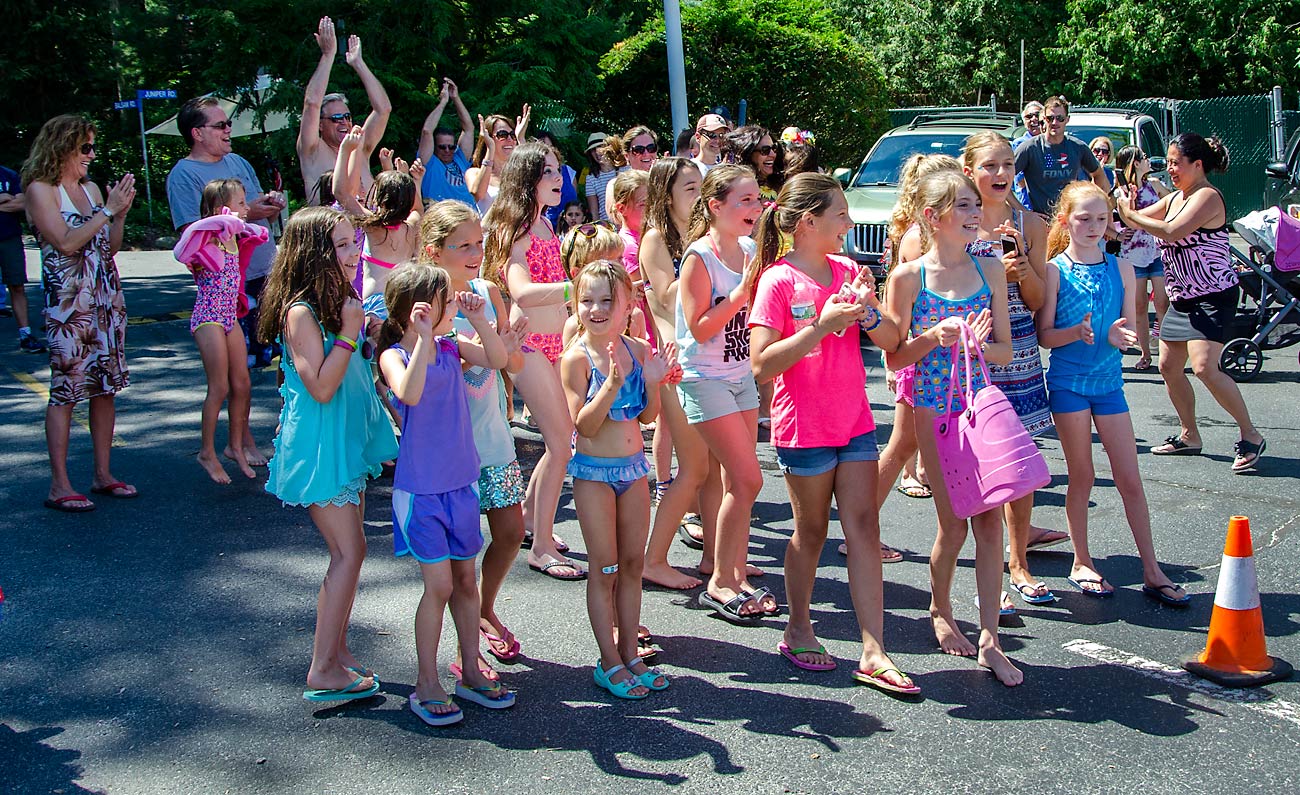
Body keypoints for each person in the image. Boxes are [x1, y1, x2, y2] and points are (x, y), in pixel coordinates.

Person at [747, 173, 919, 695]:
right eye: (840, 215)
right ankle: (798, 626)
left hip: (855, 422)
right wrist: (821, 325)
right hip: (804, 428)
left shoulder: (850, 270)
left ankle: (874, 650)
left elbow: (893, 340)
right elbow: (761, 364)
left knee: (864, 528)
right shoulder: (778, 280)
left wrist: (866, 314)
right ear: (808, 223)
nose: (848, 223)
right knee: (813, 532)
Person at [881, 169, 1022, 686]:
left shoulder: (991, 272)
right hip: (934, 411)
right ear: (931, 217)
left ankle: (990, 638)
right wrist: (935, 338)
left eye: (973, 205)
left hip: (981, 410)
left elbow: (1006, 348)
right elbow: (894, 358)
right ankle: (940, 609)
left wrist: (980, 347)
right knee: (954, 524)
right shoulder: (908, 277)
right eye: (961, 206)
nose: (973, 214)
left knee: (990, 525)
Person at [258, 206, 399, 702]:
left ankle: (336, 653)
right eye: (340, 245)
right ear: (313, 253)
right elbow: (319, 385)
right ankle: (322, 667)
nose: (353, 251)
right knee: (349, 552)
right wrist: (348, 330)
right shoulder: (301, 312)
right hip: (320, 447)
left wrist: (369, 336)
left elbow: (357, 369)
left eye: (352, 241)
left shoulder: (342, 299)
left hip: (346, 440)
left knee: (351, 551)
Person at [1039, 181, 1190, 606]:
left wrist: (1120, 336)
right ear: (1066, 221)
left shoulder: (1121, 267)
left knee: (1130, 478)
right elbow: (1046, 336)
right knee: (1082, 475)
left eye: (1102, 218)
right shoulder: (1055, 270)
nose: (1093, 225)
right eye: (1084, 218)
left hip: (1109, 386)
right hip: (1068, 384)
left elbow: (1125, 327)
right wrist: (1078, 332)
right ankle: (1081, 560)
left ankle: (1151, 568)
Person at [377, 263, 515, 726]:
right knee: (437, 587)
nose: (455, 302)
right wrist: (420, 340)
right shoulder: (395, 355)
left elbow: (498, 360)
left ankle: (471, 671)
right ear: (416, 309)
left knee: (465, 583)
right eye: (446, 299)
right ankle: (425, 682)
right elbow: (409, 394)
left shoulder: (453, 346)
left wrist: (477, 320)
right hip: (422, 491)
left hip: (461, 484)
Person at [420, 199, 530, 679]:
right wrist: (480, 355)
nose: (475, 252)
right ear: (433, 250)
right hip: (450, 454)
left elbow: (512, 363)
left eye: (479, 243)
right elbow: (413, 374)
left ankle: (485, 608)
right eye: (461, 245)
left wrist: (510, 351)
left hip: (493, 437)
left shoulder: (488, 291)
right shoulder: (424, 302)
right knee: (457, 563)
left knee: (510, 533)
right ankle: (468, 647)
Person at [1115, 133, 1266, 472]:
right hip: (1183, 298)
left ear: (1197, 165)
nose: (1169, 169)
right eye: (1167, 163)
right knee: (1169, 367)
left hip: (1213, 296)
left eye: (1175, 163)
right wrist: (1122, 202)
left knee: (1203, 367)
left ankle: (1251, 435)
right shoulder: (1175, 198)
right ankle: (1189, 435)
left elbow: (1169, 232)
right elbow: (1132, 219)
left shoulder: (1208, 197)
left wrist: (1130, 213)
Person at [561, 260, 675, 699]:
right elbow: (584, 426)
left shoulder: (640, 349)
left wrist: (653, 381)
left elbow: (647, 417)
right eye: (587, 300)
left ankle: (630, 654)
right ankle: (607, 661)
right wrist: (610, 383)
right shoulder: (575, 358)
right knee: (604, 568)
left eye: (608, 300)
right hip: (593, 475)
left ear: (629, 304)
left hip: (633, 470)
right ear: (576, 305)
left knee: (631, 566)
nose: (596, 308)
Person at [961, 131, 1065, 606]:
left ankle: (1018, 560)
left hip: (1019, 346)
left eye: (1007, 165)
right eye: (990, 166)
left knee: (1020, 458)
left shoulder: (1031, 223)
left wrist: (1023, 268)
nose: (1000, 174)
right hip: (970, 345)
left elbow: (1041, 301)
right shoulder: (957, 221)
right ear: (969, 172)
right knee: (977, 458)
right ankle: (987, 571)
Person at [24, 115, 137, 513]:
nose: (91, 155)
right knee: (67, 389)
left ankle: (103, 474)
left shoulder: (90, 190)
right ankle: (60, 484)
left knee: (105, 387)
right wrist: (107, 211)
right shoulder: (42, 190)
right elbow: (67, 242)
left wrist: (118, 215)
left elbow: (110, 247)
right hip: (70, 306)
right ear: (63, 147)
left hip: (105, 299)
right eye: (85, 148)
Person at [483, 141, 585, 580]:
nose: (557, 178)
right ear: (526, 179)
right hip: (530, 348)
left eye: (558, 170)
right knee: (562, 444)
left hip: (556, 343)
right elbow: (522, 291)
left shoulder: (545, 224)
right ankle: (541, 547)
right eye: (547, 171)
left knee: (559, 443)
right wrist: (576, 288)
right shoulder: (517, 230)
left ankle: (530, 516)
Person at [679, 165, 776, 623]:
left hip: (740, 375)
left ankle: (730, 569)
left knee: (734, 481)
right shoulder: (699, 258)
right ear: (716, 206)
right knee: (749, 478)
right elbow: (698, 330)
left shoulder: (751, 248)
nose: (755, 209)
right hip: (704, 377)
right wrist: (738, 296)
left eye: (757, 199)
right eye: (745, 201)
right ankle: (721, 581)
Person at [638, 157, 716, 589]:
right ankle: (654, 558)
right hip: (675, 361)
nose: (699, 193)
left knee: (715, 467)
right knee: (693, 468)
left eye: (701, 185)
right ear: (666, 194)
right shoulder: (655, 239)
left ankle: (716, 559)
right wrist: (700, 257)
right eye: (690, 187)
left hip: (710, 356)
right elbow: (668, 300)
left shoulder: (705, 234)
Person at [167, 96, 285, 375]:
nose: (228, 130)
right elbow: (192, 238)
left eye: (228, 124)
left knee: (284, 361)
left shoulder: (239, 162)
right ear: (197, 134)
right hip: (231, 289)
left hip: (269, 274)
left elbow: (261, 212)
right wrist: (247, 215)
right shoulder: (182, 175)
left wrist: (272, 205)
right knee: (241, 375)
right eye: (220, 125)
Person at [172, 178, 269, 484]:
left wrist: (235, 223)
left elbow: (262, 234)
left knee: (242, 384)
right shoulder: (204, 241)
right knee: (220, 387)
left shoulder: (234, 237)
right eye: (240, 204)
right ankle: (206, 452)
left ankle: (235, 446)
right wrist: (220, 219)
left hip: (229, 317)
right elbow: (180, 250)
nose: (246, 209)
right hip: (208, 317)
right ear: (221, 208)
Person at [297, 16, 392, 205]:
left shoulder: (360, 148)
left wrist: (359, 64)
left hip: (368, 232)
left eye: (347, 117)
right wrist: (328, 55)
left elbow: (383, 109)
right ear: (320, 124)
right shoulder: (312, 150)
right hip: (331, 232)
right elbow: (312, 103)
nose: (344, 123)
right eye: (336, 118)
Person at [333, 126, 423, 323]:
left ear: (379, 198)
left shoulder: (374, 229)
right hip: (406, 301)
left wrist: (346, 150)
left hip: (378, 305)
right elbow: (417, 209)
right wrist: (414, 181)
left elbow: (341, 193)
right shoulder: (410, 228)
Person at [1113, 145, 1170, 371]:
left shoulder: (1155, 185)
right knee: (1139, 306)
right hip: (1133, 254)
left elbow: (1173, 203)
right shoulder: (1122, 193)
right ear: (1135, 163)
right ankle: (1145, 353)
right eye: (1144, 158)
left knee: (1162, 302)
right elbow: (1129, 221)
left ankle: (1166, 351)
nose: (1148, 160)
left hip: (1156, 249)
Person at [1014, 97, 1108, 218]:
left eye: (1060, 118)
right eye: (1050, 118)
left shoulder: (1078, 147)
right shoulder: (1029, 148)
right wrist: (1024, 212)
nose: (1054, 123)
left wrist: (1091, 203)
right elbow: (1004, 178)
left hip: (1070, 219)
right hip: (1041, 221)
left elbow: (1098, 175)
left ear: (1067, 119)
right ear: (1044, 119)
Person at [0, 163, 42, 352]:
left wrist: (8, 201)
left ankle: (25, 334)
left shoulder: (8, 175)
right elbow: (14, 203)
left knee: (17, 285)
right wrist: (3, 198)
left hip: (10, 238)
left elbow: (24, 203)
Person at [414, 78, 476, 208]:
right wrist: (443, 102)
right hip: (442, 221)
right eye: (442, 147)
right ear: (434, 147)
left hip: (469, 218)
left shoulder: (460, 159)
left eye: (451, 147)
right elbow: (427, 131)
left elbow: (469, 129)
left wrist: (456, 98)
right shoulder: (428, 163)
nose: (448, 150)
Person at [468, 107, 530, 217]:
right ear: (488, 138)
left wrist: (521, 139)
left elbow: (534, 180)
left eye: (512, 135)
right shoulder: (473, 172)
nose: (510, 140)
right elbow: (478, 193)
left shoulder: (518, 173)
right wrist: (490, 148)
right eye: (502, 135)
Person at [604, 126, 660, 216]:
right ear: (627, 156)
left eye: (651, 148)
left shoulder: (665, 180)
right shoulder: (614, 185)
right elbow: (617, 219)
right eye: (638, 150)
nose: (646, 153)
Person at [535, 131, 580, 230]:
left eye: (549, 147)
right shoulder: (534, 174)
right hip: (545, 227)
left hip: (570, 229)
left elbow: (575, 201)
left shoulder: (568, 171)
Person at [727, 125, 784, 204]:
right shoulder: (732, 188)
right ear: (748, 154)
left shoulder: (782, 184)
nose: (773, 154)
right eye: (765, 150)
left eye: (774, 148)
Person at [1011, 101, 1044, 210]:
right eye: (1029, 116)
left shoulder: (1053, 142)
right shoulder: (1020, 144)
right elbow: (1020, 180)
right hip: (1028, 207)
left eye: (1037, 115)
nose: (1034, 119)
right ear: (1024, 122)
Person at [583, 134, 618, 221]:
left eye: (600, 147)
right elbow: (594, 212)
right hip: (606, 226)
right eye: (593, 150)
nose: (597, 152)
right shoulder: (591, 178)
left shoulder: (625, 169)